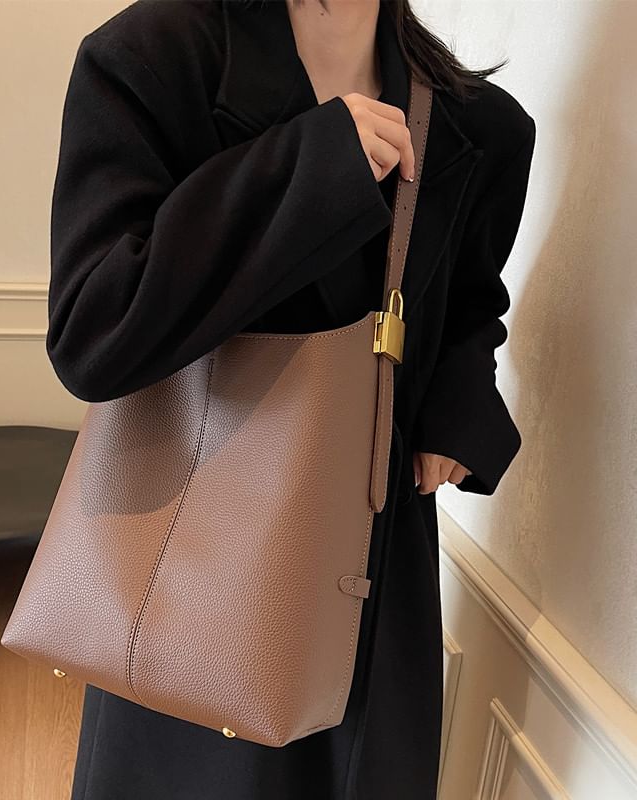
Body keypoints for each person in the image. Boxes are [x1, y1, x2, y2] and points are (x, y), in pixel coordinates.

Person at [46, 0, 536, 797]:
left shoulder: (479, 124)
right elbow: (95, 330)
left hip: (372, 549)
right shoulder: (152, 59)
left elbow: (469, 304)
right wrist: (312, 166)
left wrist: (458, 404)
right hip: (194, 542)